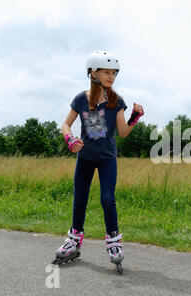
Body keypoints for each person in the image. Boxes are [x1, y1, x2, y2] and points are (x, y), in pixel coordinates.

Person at [52, 50, 144, 274]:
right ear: (93, 73)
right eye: (106, 72)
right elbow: (65, 125)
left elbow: (122, 132)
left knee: (107, 199)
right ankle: (73, 241)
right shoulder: (81, 99)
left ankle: (114, 241)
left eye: (114, 73)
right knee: (79, 199)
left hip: (106, 158)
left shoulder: (117, 101)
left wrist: (134, 117)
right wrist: (70, 138)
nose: (111, 77)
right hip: (84, 157)